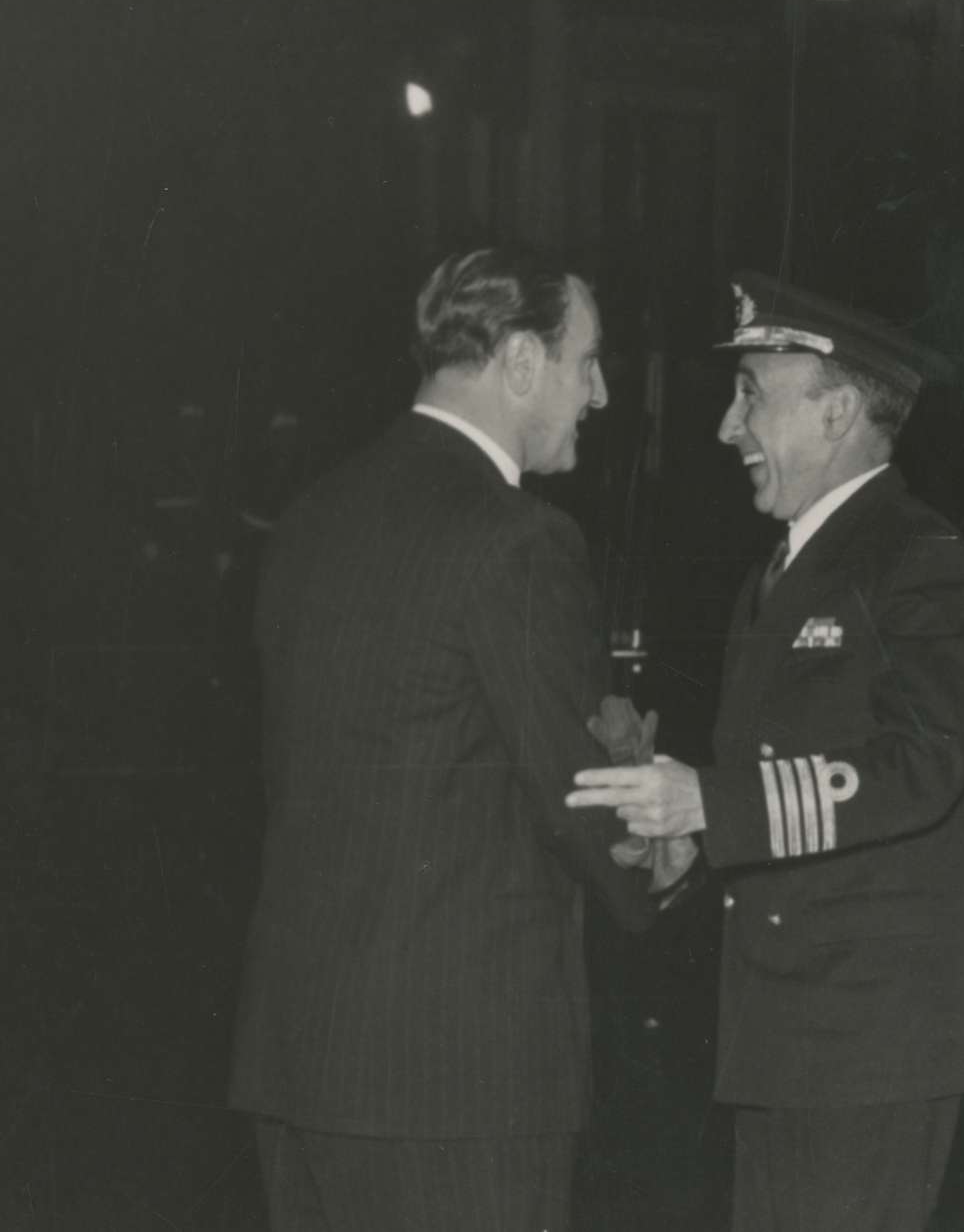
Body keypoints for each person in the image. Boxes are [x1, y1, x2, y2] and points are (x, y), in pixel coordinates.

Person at [567, 272, 964, 1232]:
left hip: (872, 1037)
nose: (728, 427)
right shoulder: (780, 571)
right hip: (785, 1028)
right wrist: (688, 849)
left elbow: (922, 767)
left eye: (751, 395)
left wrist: (711, 805)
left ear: (838, 411)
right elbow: (779, 781)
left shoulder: (918, 558)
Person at [229, 248, 659, 1232]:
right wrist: (674, 856)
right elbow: (585, 799)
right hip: (454, 1086)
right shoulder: (517, 539)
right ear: (521, 362)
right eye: (587, 361)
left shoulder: (310, 517)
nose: (599, 393)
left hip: (298, 1059)